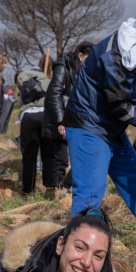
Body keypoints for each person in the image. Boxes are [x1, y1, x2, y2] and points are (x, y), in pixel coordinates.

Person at [63, 15, 136, 242]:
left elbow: (130, 83)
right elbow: (117, 104)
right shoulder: (115, 55)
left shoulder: (135, 49)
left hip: (109, 127)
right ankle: (77, 243)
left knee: (132, 173)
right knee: (90, 190)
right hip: (89, 125)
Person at [44, 41, 93, 190]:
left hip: (76, 119)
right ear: (80, 55)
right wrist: (60, 121)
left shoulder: (83, 72)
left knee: (85, 154)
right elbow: (55, 94)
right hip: (59, 117)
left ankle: (65, 187)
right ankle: (57, 193)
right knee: (60, 159)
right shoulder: (62, 67)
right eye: (89, 59)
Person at [16, 54, 52, 194]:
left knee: (29, 155)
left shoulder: (24, 81)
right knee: (47, 152)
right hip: (44, 116)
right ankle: (50, 186)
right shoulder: (47, 80)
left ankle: (28, 189)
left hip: (28, 117)